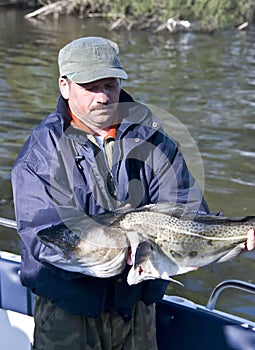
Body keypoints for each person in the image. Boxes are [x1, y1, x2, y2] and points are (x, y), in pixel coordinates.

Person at [11, 37, 255, 350]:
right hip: (67, 311)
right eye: (90, 86)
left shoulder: (153, 141)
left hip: (137, 310)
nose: (102, 97)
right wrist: (105, 251)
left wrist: (236, 236)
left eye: (110, 85)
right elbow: (41, 234)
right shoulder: (42, 152)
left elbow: (188, 213)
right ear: (65, 86)